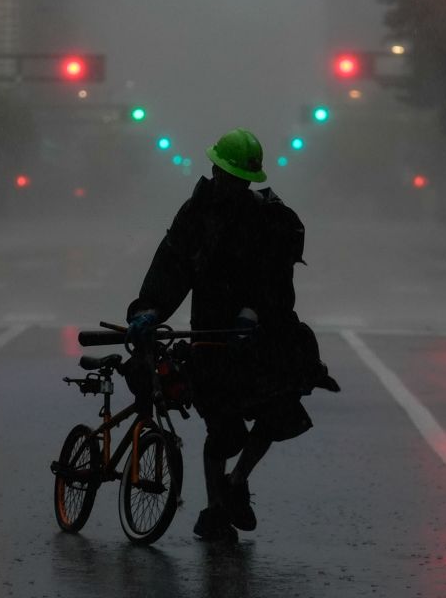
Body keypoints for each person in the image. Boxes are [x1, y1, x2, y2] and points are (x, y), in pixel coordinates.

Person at [125, 128, 339, 542]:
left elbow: (276, 279)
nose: (232, 184)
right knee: (221, 430)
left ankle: (237, 482)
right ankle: (213, 510)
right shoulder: (196, 213)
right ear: (214, 171)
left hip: (257, 337)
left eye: (240, 179)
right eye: (228, 176)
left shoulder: (269, 220)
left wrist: (254, 313)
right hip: (210, 337)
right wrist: (149, 309)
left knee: (279, 407)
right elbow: (172, 264)